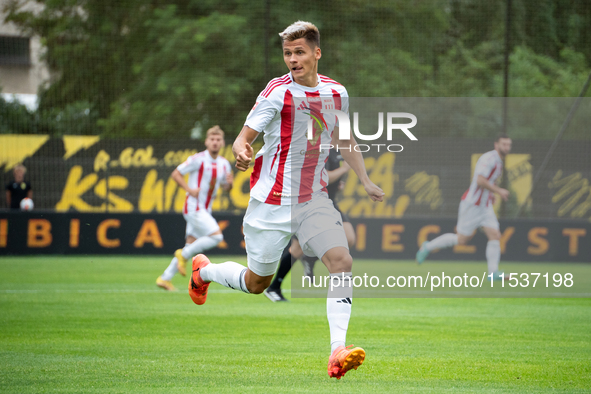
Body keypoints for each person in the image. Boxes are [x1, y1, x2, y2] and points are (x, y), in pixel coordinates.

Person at [186, 21, 384, 379]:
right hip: (270, 202)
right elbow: (243, 138)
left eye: (299, 52)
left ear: (316, 53)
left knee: (341, 261)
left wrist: (366, 180)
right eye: (287, 53)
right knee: (256, 283)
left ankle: (337, 350)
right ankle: (204, 272)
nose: (293, 60)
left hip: (313, 199)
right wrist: (242, 151)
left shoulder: (337, 92)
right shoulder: (277, 92)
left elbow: (344, 140)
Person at [264, 149, 356, 302]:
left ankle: (310, 257)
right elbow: (323, 177)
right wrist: (344, 169)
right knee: (297, 248)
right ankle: (274, 287)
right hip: (310, 202)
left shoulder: (337, 150)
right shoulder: (319, 148)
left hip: (330, 202)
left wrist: (338, 183)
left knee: (349, 238)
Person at [416, 133, 512, 279]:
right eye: (503, 144)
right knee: (461, 240)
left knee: (495, 235)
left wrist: (492, 195)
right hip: (473, 204)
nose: (506, 147)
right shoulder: (489, 159)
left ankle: (493, 273)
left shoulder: (499, 161)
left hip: (485, 207)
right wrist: (498, 191)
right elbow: (480, 180)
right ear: (496, 145)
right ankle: (427, 247)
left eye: (508, 144)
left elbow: (490, 181)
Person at [156, 126, 233, 291]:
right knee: (217, 237)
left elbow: (226, 188)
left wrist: (230, 184)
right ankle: (182, 256)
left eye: (218, 140)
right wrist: (189, 190)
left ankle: (165, 278)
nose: (215, 142)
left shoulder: (224, 164)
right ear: (206, 141)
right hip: (193, 207)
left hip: (205, 209)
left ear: (222, 143)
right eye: (212, 139)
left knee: (190, 244)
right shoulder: (198, 159)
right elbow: (176, 173)